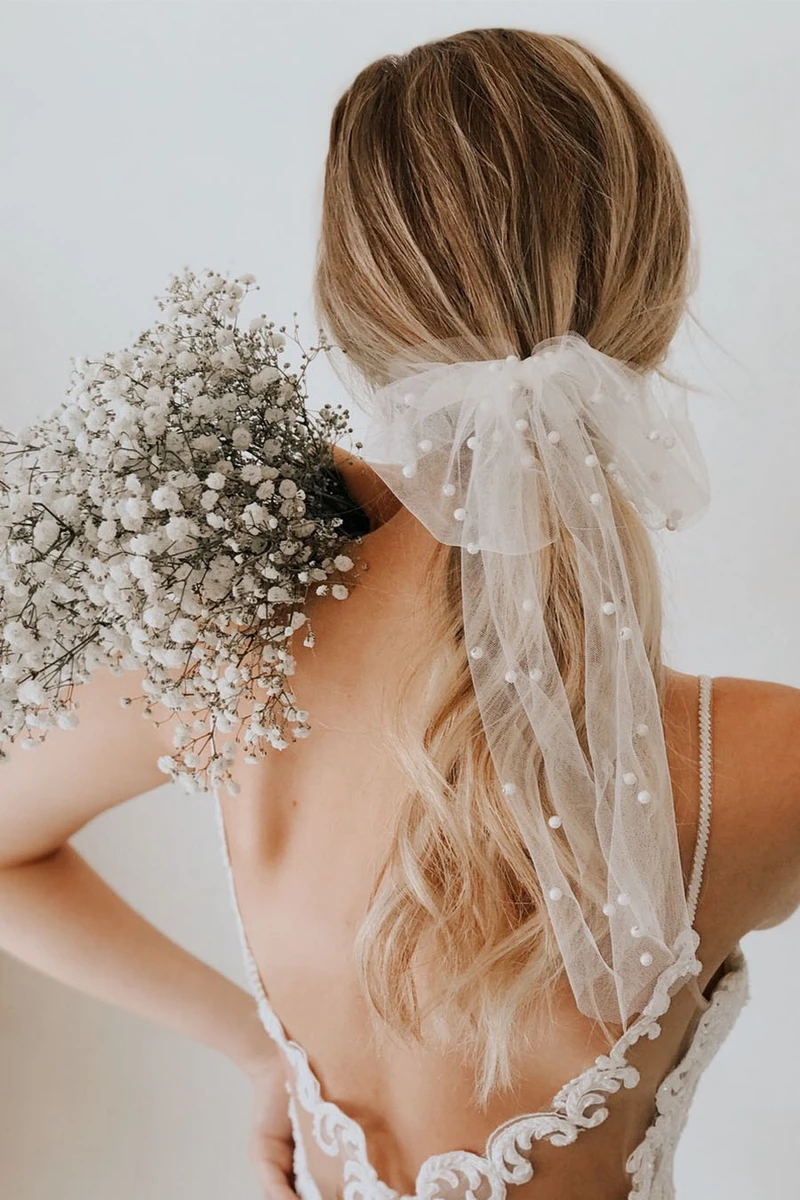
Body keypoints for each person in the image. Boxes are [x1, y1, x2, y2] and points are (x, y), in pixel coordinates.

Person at [1, 26, 799, 1200]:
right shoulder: (762, 763)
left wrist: (255, 1048)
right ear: (659, 301)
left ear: (349, 321)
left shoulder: (227, 656)